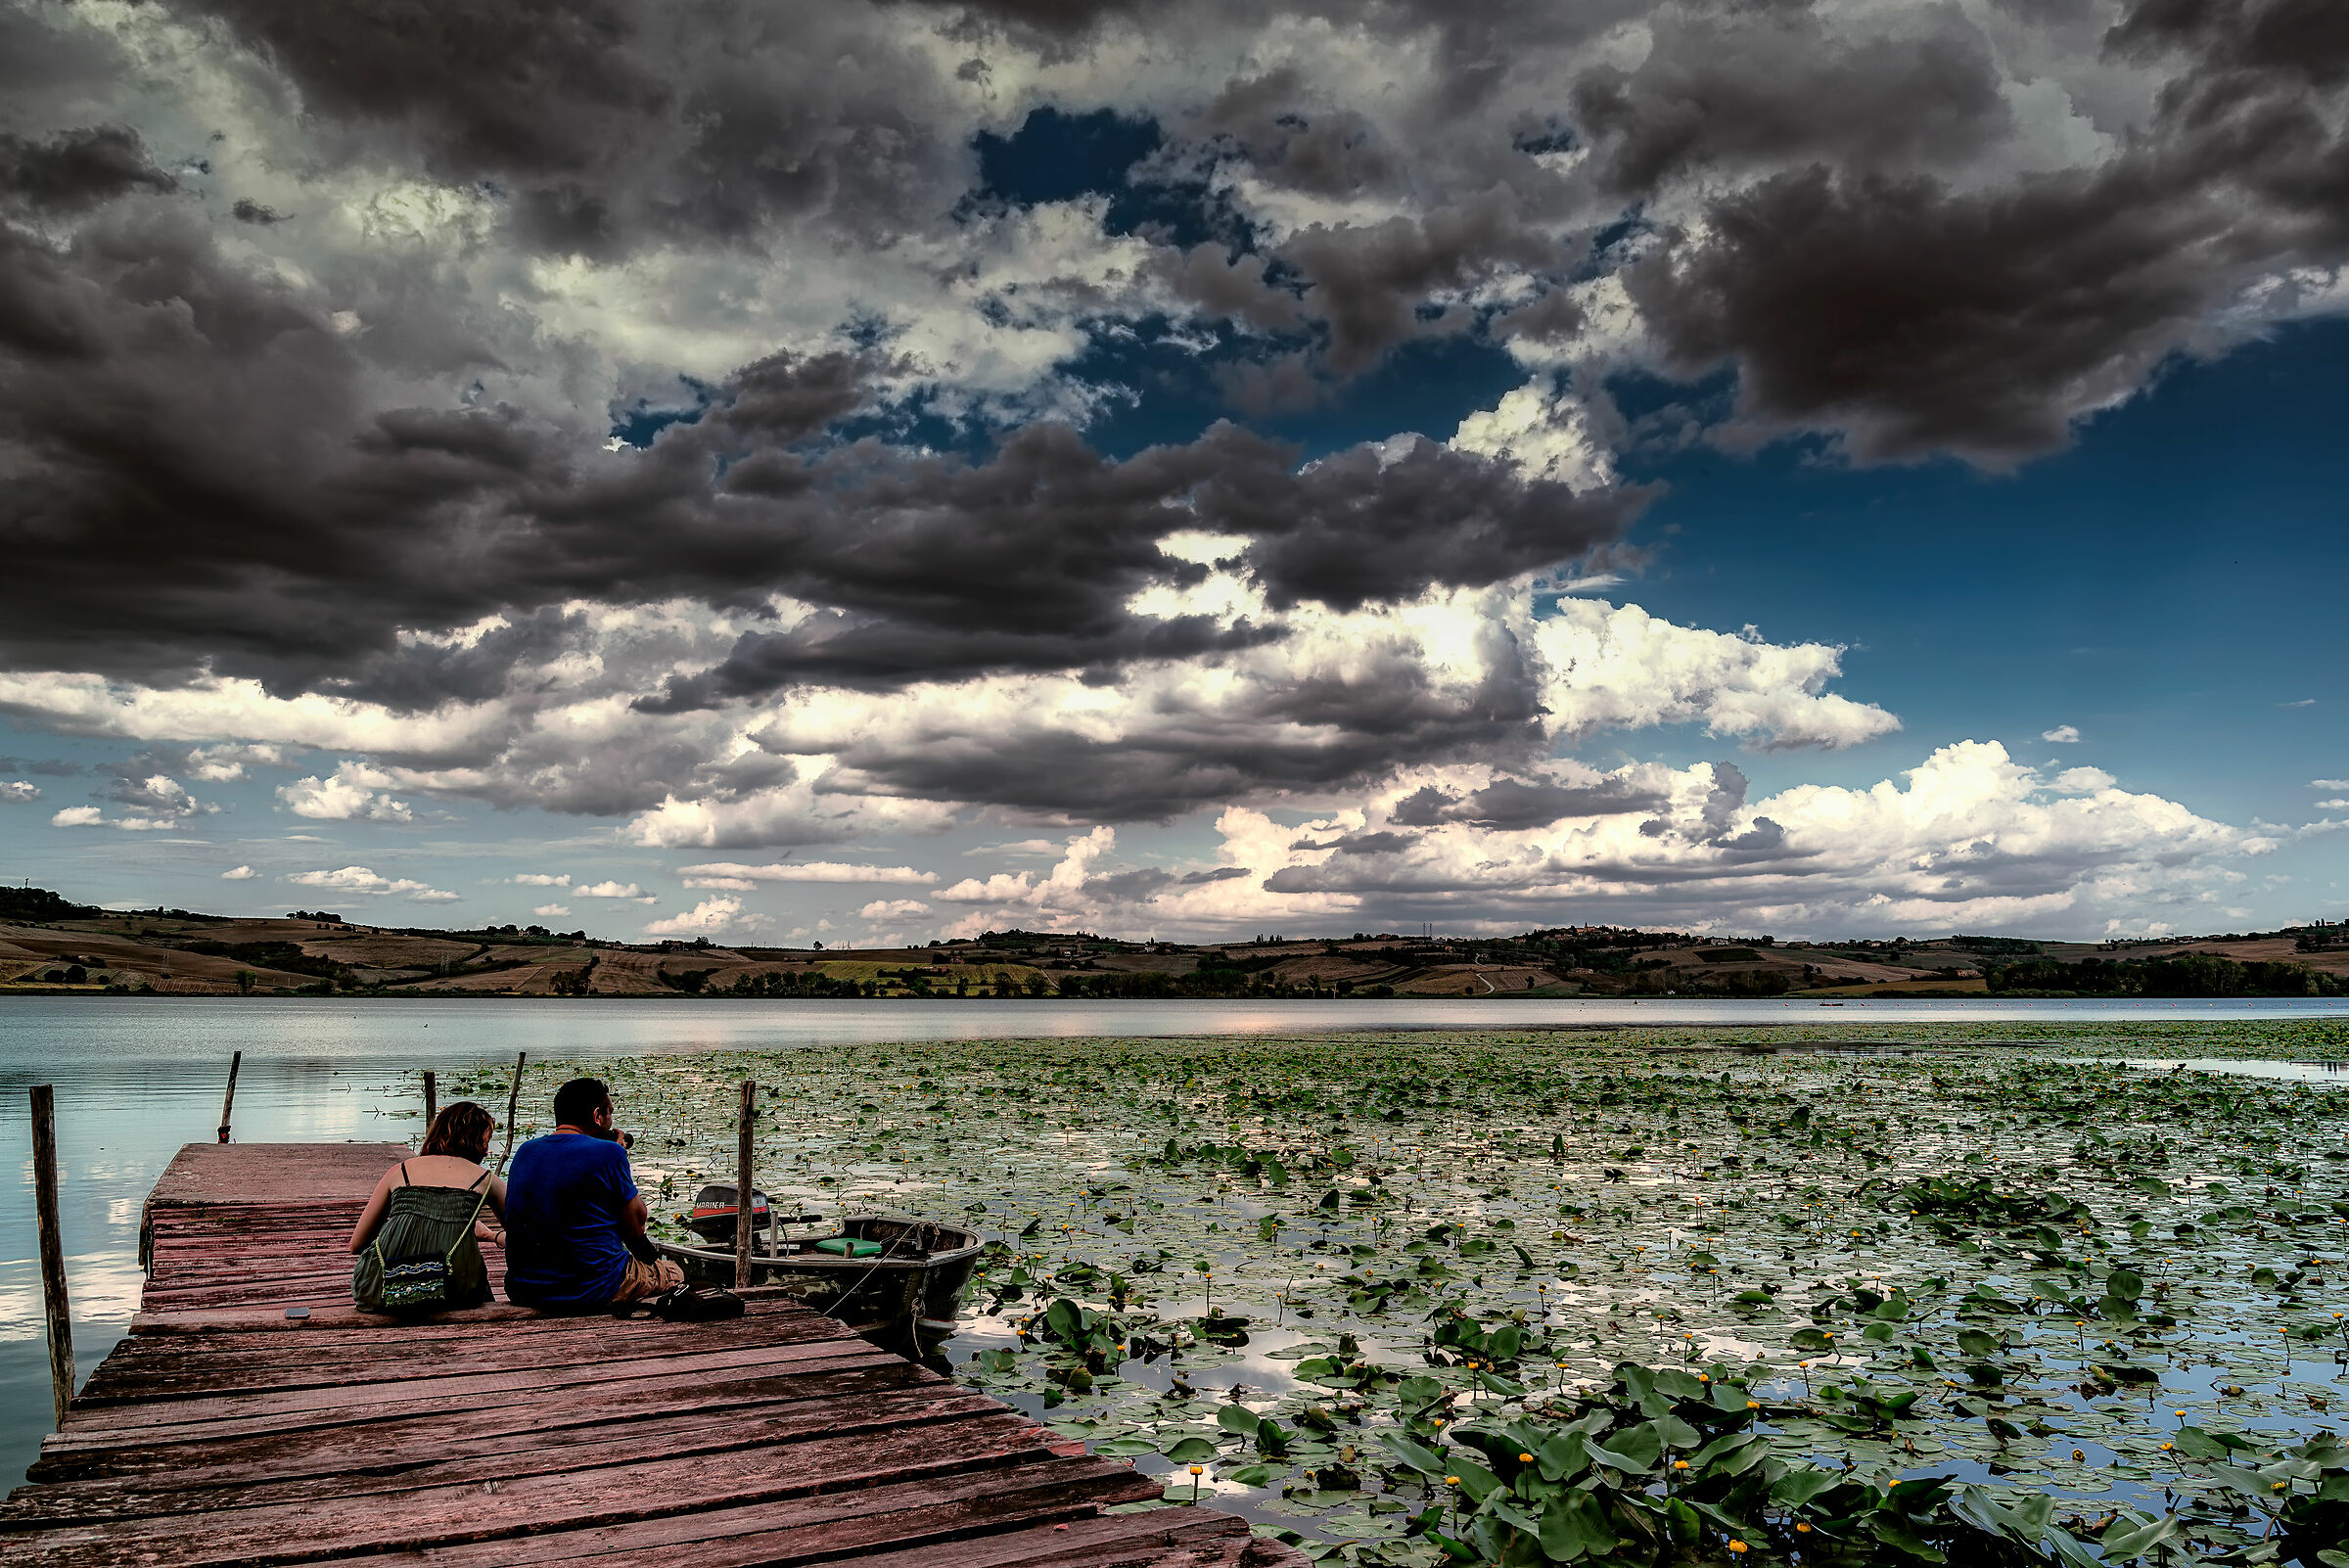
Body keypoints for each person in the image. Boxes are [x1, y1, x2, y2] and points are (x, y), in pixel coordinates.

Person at [502, 1076, 683, 1309]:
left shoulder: (525, 1151)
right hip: (594, 1288)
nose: (610, 1120)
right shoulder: (610, 1153)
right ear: (597, 1116)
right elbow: (636, 1227)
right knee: (674, 1272)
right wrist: (619, 1157)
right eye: (609, 1113)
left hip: (524, 1289)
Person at [349, 1100, 504, 1311]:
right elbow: (526, 1238)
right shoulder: (487, 1180)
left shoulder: (400, 1170)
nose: (486, 1152)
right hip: (456, 1291)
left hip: (381, 1289)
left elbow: (357, 1244)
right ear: (475, 1140)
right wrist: (492, 1236)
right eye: (486, 1142)